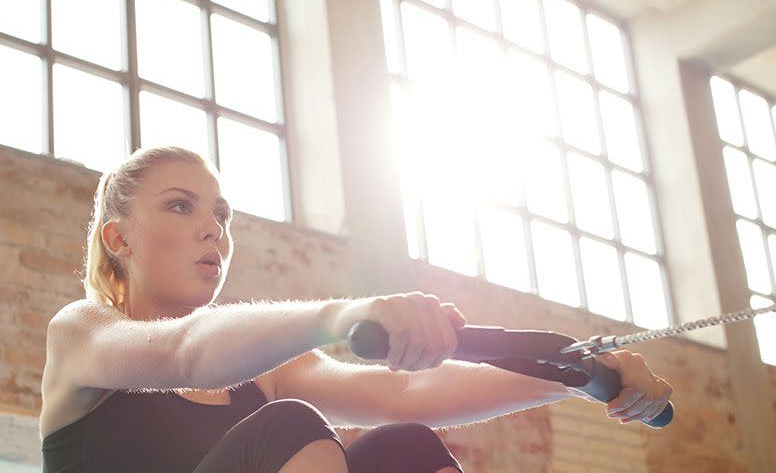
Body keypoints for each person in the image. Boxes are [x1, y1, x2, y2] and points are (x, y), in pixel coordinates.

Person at [39, 146, 673, 472]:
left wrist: (580, 374)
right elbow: (185, 353)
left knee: (405, 448)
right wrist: (342, 314)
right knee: (287, 426)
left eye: (221, 214)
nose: (214, 229)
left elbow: (407, 396)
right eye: (182, 207)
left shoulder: (264, 373)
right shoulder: (82, 336)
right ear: (118, 239)